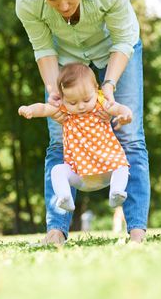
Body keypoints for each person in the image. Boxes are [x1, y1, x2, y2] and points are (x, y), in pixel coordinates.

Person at [16, 0, 151, 244]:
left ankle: (137, 230)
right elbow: (44, 49)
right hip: (64, 56)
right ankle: (56, 230)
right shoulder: (27, 1)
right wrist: (54, 93)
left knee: (130, 137)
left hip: (115, 48)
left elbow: (124, 39)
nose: (63, 7)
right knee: (57, 140)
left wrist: (109, 87)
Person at [19, 63, 133, 211]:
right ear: (63, 98)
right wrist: (30, 109)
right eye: (72, 102)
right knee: (57, 170)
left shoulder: (101, 103)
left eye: (86, 100)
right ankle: (65, 197)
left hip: (107, 169)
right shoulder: (64, 110)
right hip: (79, 174)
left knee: (123, 166)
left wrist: (126, 114)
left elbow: (118, 108)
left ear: (96, 89)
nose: (80, 106)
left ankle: (116, 193)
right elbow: (43, 108)